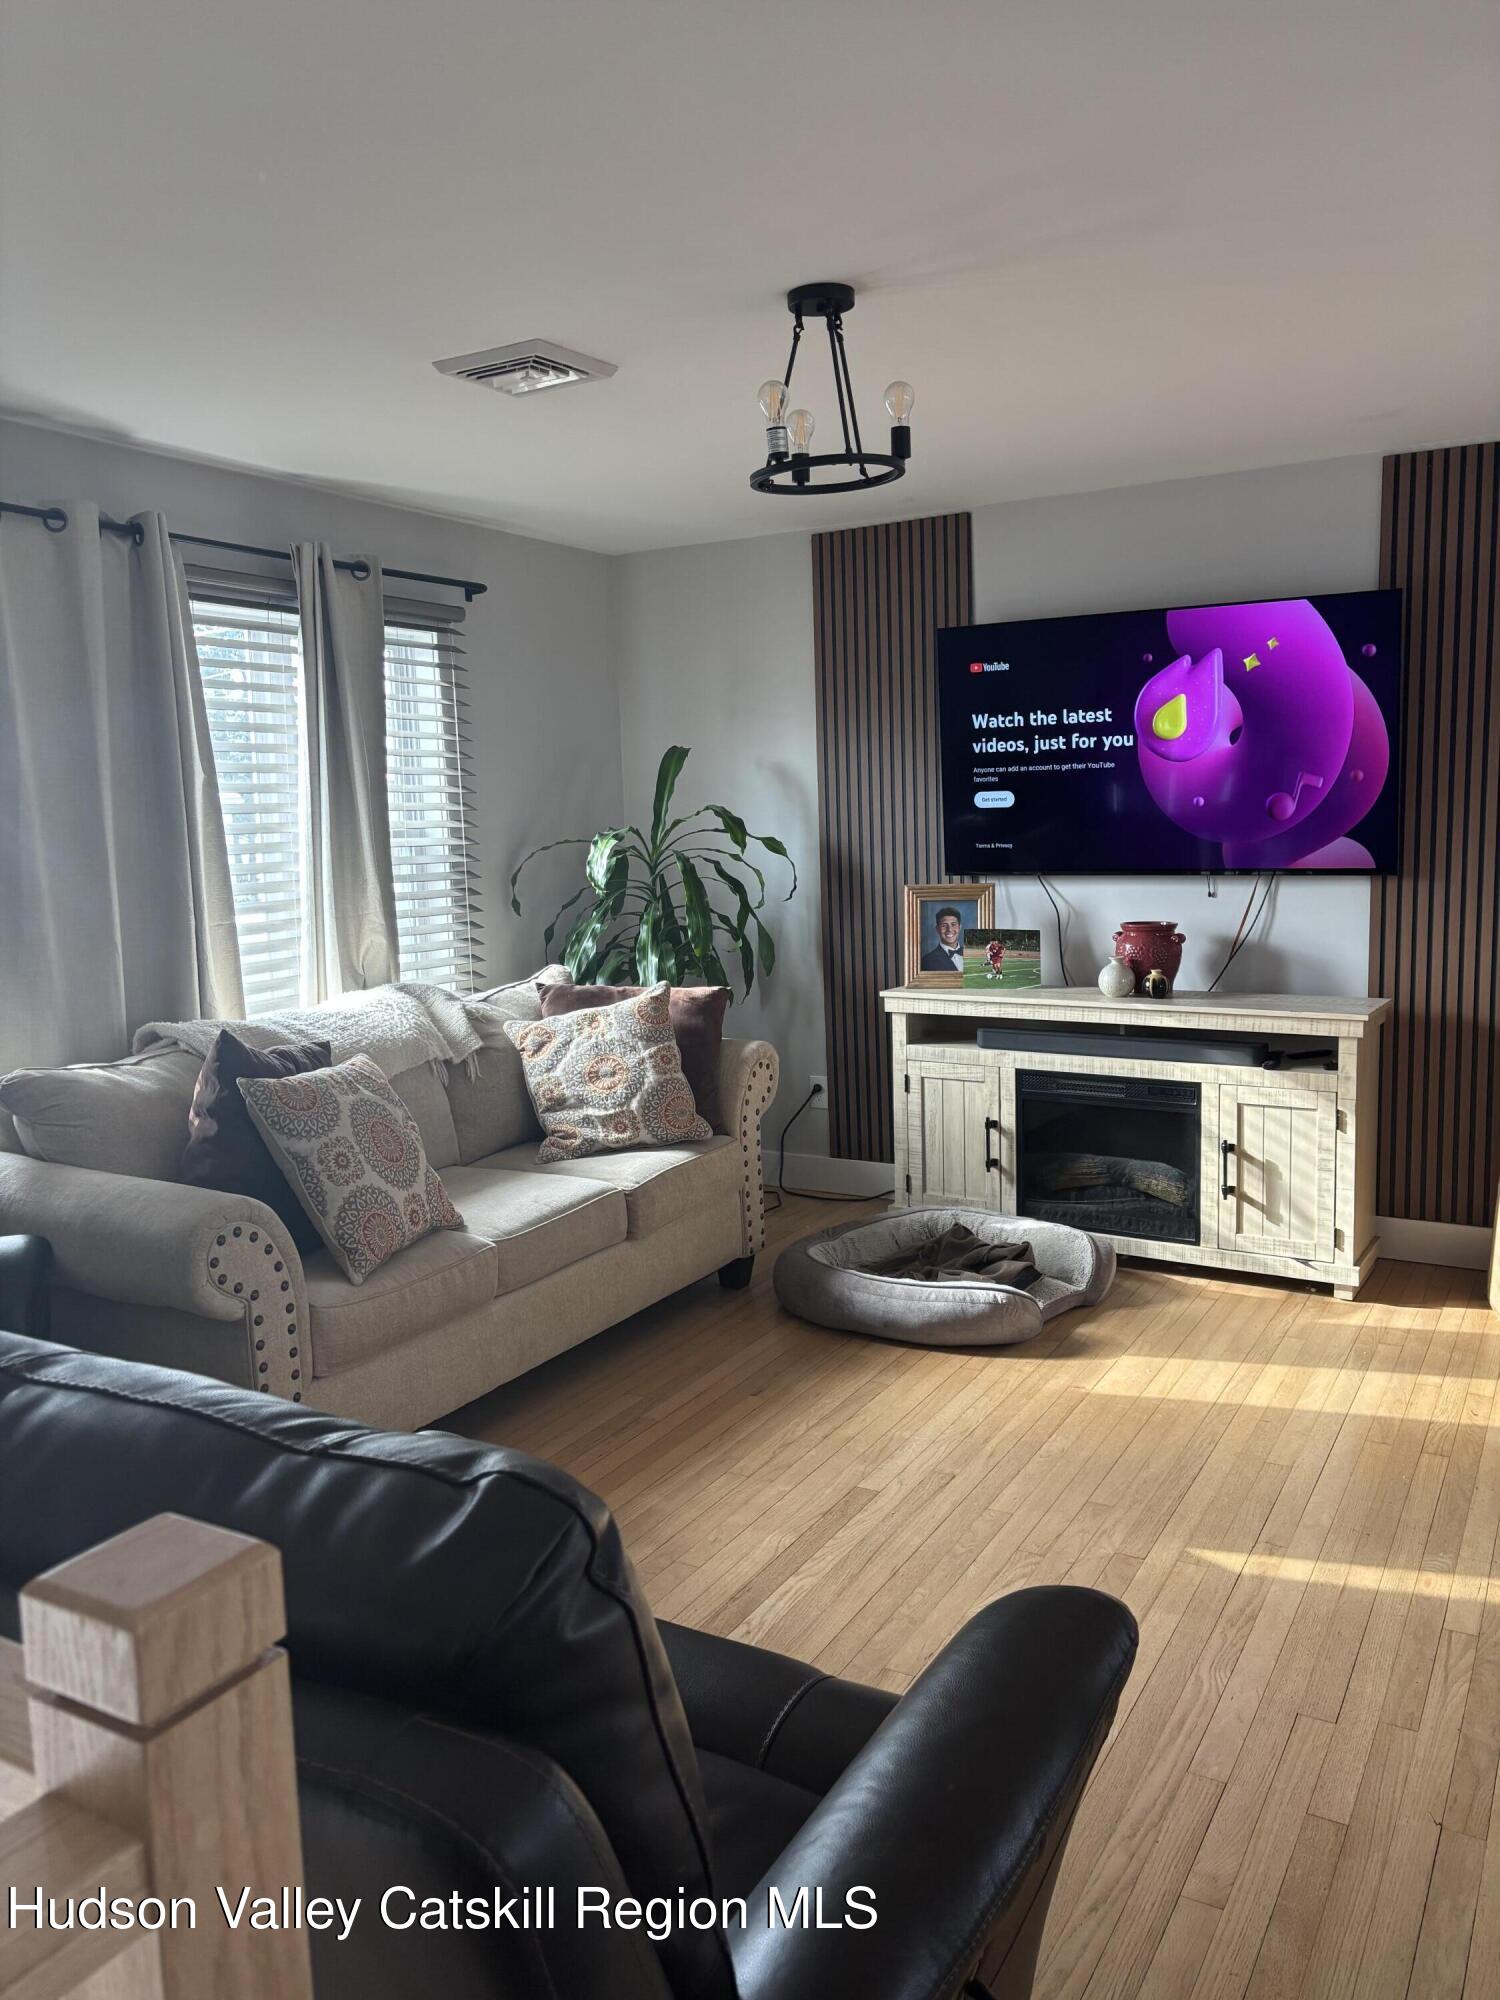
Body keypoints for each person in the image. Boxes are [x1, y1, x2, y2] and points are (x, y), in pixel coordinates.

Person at [920, 906, 966, 973]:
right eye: (944, 925)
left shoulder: (971, 954)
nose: (949, 929)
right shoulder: (926, 961)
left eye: (953, 924)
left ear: (959, 927)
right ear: (937, 929)